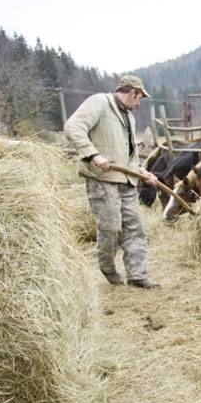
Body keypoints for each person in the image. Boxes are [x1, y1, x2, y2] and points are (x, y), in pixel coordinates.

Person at [64, 75, 160, 288]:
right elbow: (73, 127)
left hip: (127, 180)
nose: (138, 104)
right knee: (111, 228)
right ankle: (107, 268)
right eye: (139, 99)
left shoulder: (129, 117)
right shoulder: (100, 102)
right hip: (103, 179)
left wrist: (143, 173)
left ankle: (137, 275)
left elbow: (130, 157)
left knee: (135, 228)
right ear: (133, 92)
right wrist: (93, 154)